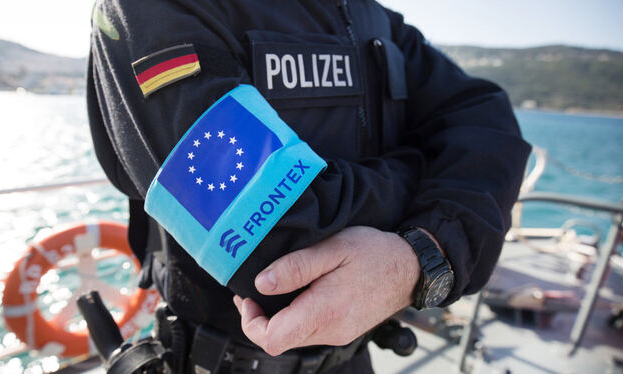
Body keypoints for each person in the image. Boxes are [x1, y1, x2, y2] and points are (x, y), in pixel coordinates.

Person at [86, 0, 531, 372]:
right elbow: (278, 250)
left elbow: (490, 123)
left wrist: (423, 251)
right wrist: (426, 172)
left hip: (356, 359)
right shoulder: (158, 8)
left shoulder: (369, 15)